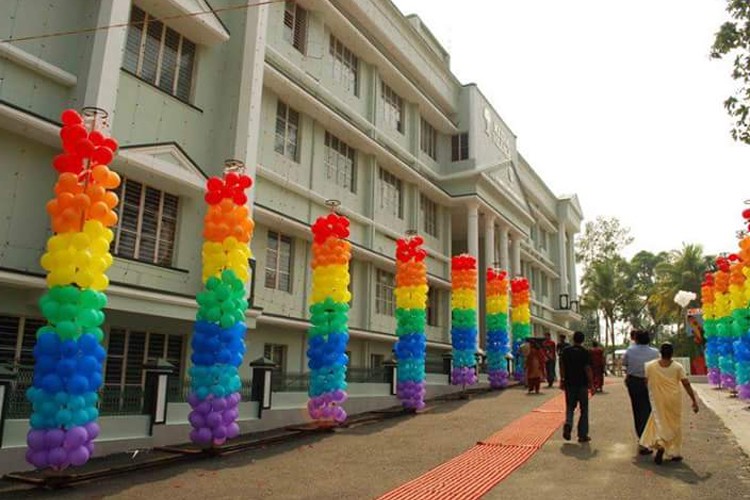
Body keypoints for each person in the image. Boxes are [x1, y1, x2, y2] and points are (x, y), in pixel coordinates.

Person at [639, 343, 699, 464]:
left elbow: (645, 382)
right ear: (672, 353)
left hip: (658, 399)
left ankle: (661, 444)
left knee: (659, 421)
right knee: (674, 424)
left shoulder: (650, 366)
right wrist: (693, 400)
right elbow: (686, 383)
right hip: (673, 399)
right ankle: (674, 453)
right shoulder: (678, 367)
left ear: (660, 353)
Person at [623, 330, 660, 455]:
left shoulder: (629, 351)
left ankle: (642, 439)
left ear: (636, 339)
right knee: (649, 410)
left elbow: (625, 365)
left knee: (637, 410)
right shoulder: (655, 353)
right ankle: (649, 438)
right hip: (650, 383)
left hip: (634, 383)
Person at [560, 331, 595, 443]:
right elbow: (587, 368)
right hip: (582, 385)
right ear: (583, 340)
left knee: (570, 407)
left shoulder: (566, 351)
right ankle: (582, 435)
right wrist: (592, 384)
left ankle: (568, 424)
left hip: (569, 384)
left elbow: (562, 366)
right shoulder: (585, 352)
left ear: (573, 339)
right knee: (584, 410)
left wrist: (562, 379)